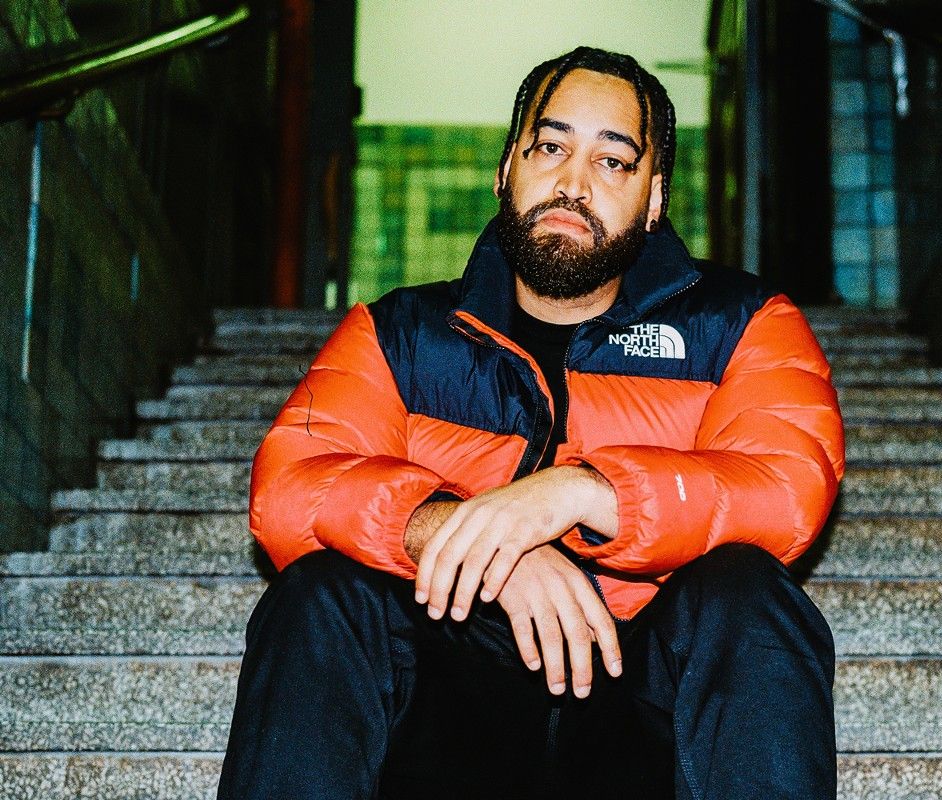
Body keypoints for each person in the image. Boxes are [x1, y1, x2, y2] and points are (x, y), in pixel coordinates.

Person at [217, 46, 844, 800]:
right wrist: (483, 544)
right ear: (505, 170)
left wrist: (578, 494)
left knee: (749, 594)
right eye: (550, 147)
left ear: (654, 201)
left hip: (640, 701)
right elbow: (289, 489)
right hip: (448, 703)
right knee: (321, 593)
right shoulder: (402, 332)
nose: (572, 183)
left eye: (614, 162)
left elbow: (784, 488)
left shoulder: (742, 323)